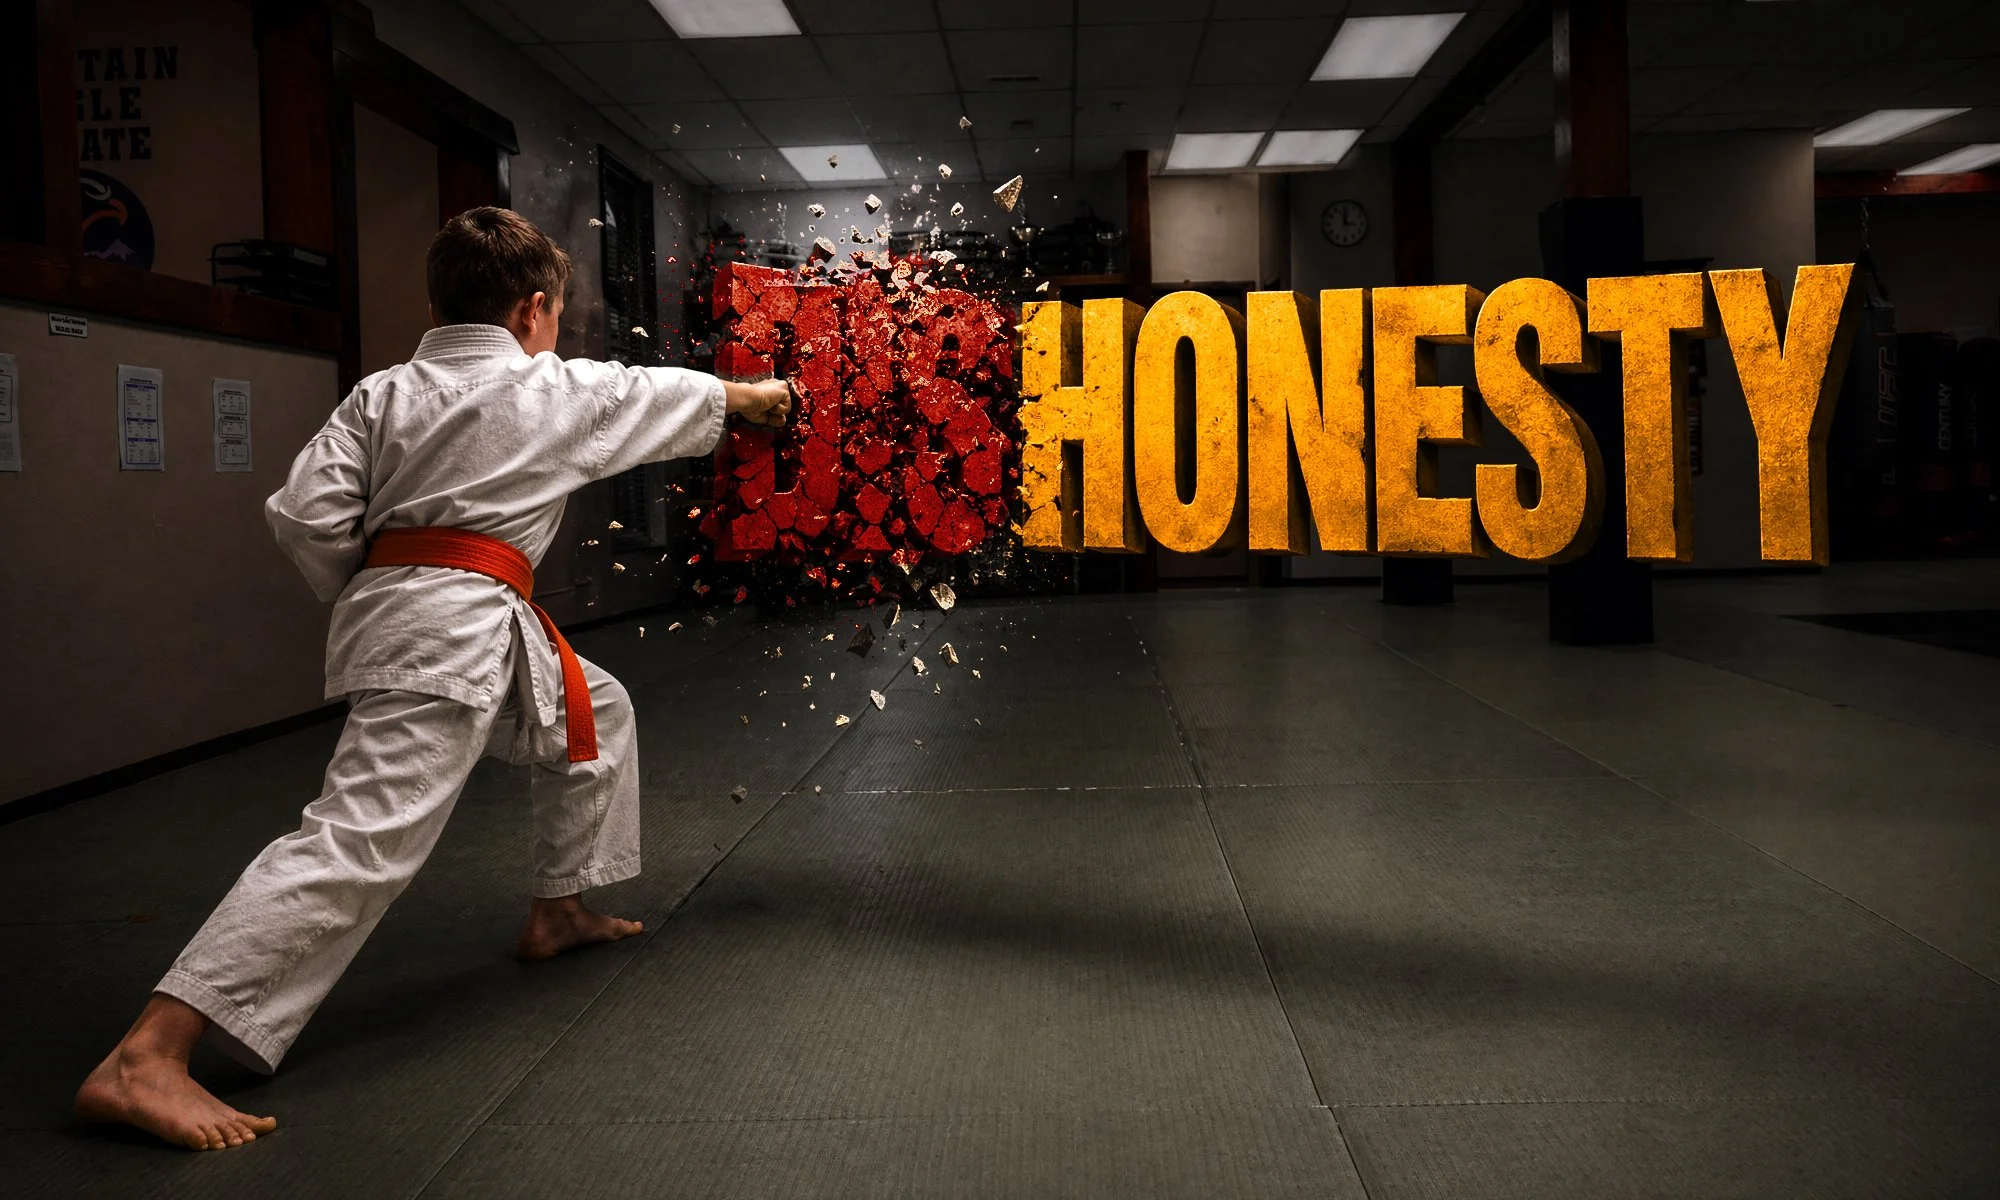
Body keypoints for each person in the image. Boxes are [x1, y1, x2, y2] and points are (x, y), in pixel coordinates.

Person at [74, 207, 792, 1151]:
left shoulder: (380, 395)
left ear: (437, 307)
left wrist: (389, 582)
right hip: (451, 631)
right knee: (361, 837)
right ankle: (149, 1056)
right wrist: (757, 396)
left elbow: (303, 514)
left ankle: (560, 909)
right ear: (533, 308)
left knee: (594, 712)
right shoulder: (548, 389)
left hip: (419, 614)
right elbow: (647, 391)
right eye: (555, 313)